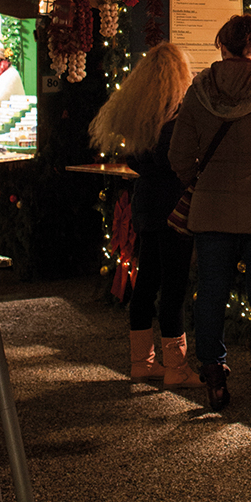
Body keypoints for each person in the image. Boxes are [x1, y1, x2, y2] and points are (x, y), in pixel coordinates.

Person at [169, 12, 251, 411]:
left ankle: (214, 377)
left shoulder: (197, 94)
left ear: (222, 46)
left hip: (212, 212)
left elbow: (178, 156)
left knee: (211, 292)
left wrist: (201, 180)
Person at [88, 41, 199, 386]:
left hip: (146, 205)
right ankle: (176, 368)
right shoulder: (177, 119)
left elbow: (135, 160)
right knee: (174, 288)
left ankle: (142, 361)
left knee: (146, 282)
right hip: (175, 210)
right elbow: (178, 163)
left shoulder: (141, 116)